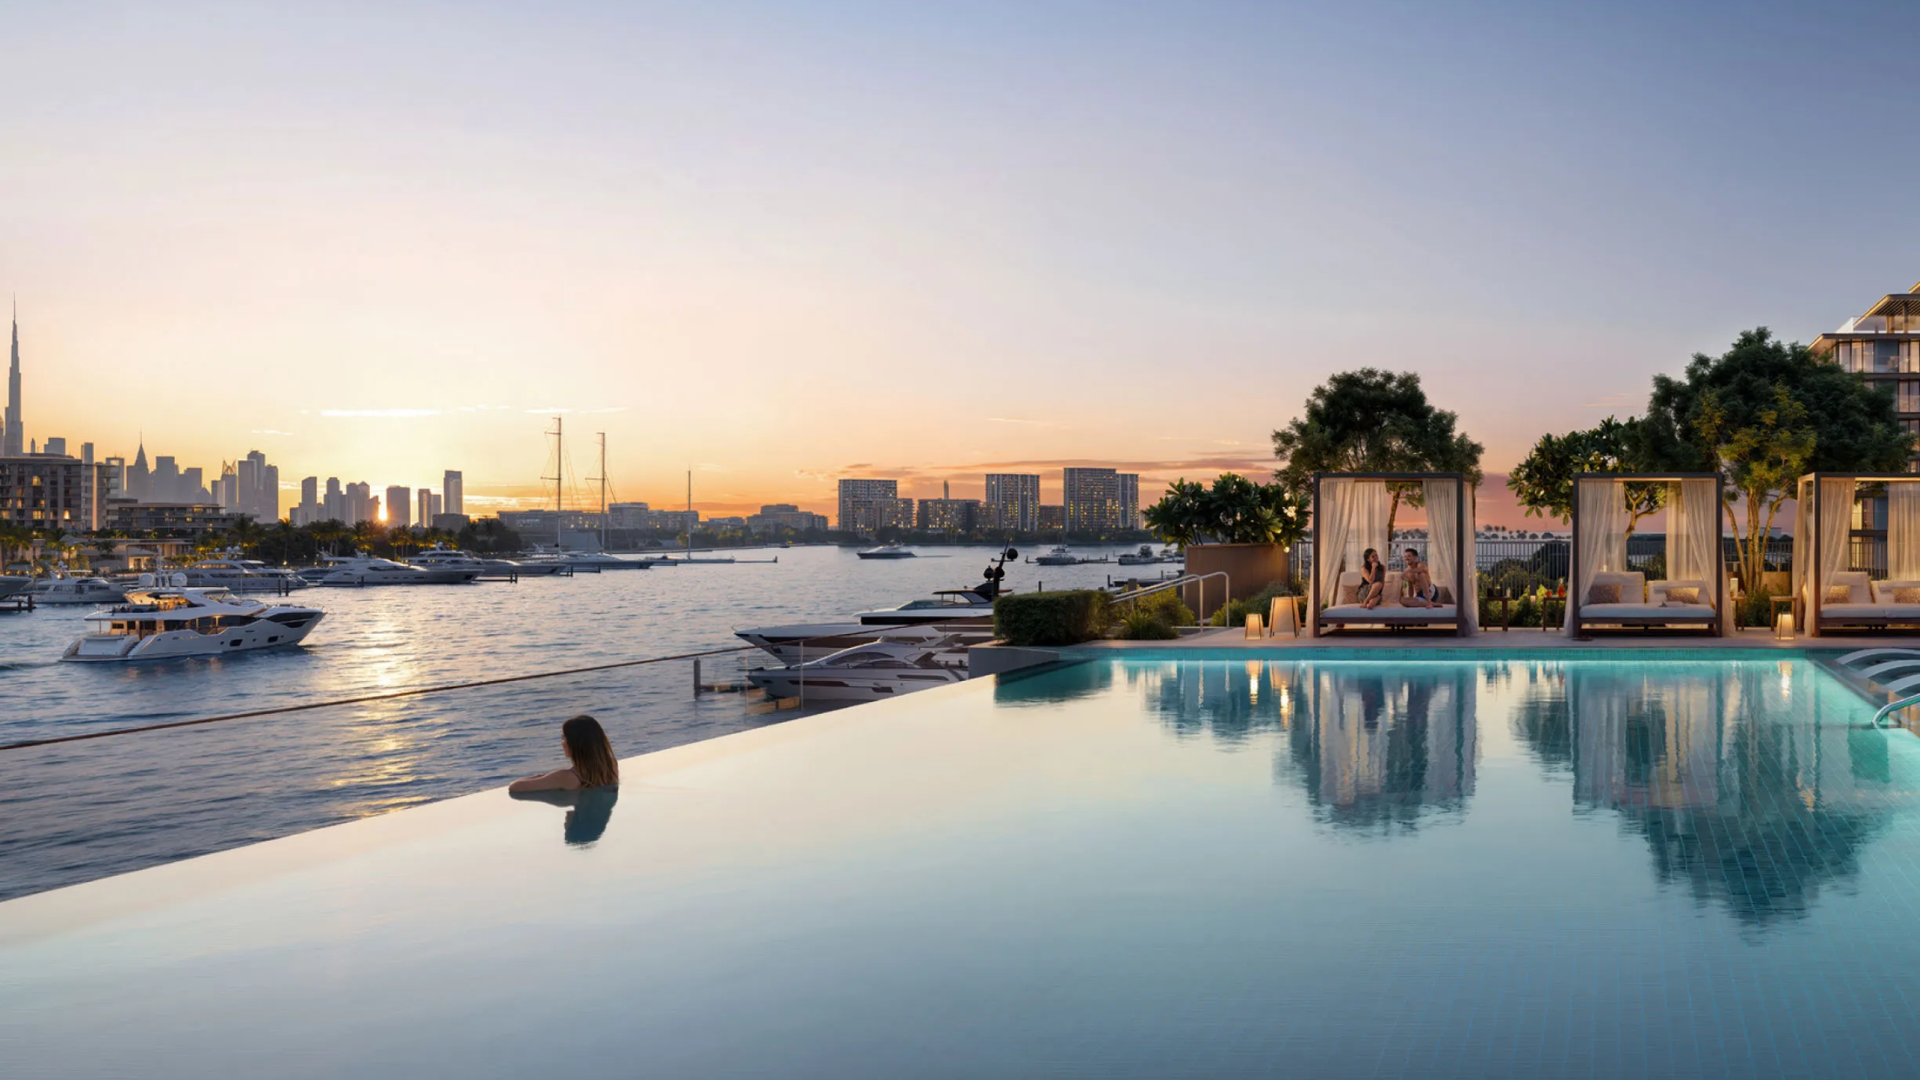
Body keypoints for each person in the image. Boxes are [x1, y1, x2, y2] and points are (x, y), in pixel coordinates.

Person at [508, 714, 620, 793]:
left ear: (574, 744)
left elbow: (515, 786)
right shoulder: (611, 766)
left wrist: (540, 777)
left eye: (563, 737)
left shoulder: (565, 777)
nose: (562, 742)